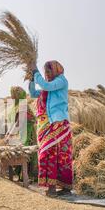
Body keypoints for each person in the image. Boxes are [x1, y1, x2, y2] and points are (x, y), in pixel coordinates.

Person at [28, 60, 73, 197]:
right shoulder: (47, 89)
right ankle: (53, 186)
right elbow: (33, 93)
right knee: (49, 153)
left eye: (49, 71)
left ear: (56, 70)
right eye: (45, 72)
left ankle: (57, 187)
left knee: (53, 154)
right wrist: (31, 79)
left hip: (58, 123)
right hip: (45, 125)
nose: (46, 74)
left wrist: (36, 72)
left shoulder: (61, 81)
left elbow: (46, 85)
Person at [4, 86, 38, 180]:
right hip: (20, 133)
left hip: (27, 133)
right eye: (12, 95)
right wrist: (8, 133)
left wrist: (10, 134)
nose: (12, 97)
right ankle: (20, 175)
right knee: (19, 152)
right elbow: (13, 122)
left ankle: (27, 176)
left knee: (26, 153)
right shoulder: (14, 107)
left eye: (14, 95)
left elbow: (19, 122)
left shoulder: (23, 105)